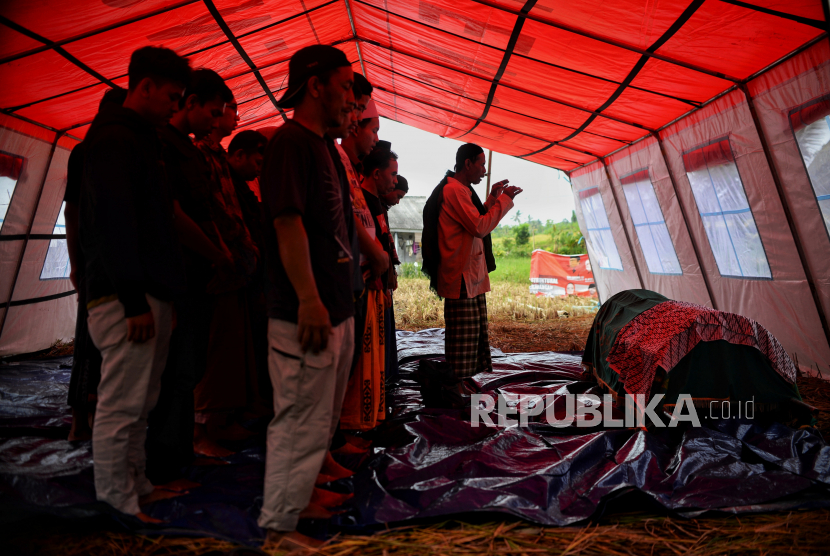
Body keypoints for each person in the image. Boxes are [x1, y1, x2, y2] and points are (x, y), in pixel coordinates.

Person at [79, 46, 189, 519]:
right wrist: (131, 300)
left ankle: (137, 483)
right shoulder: (112, 141)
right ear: (143, 87)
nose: (175, 106)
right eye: (171, 96)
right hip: (126, 295)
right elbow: (113, 224)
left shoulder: (145, 140)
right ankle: (116, 497)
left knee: (143, 398)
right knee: (122, 402)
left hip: (149, 291)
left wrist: (163, 294)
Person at [257, 45, 356, 551]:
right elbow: (287, 222)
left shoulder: (319, 145)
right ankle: (278, 528)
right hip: (306, 310)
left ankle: (300, 498)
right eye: (343, 85)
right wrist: (308, 299)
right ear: (315, 85)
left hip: (331, 304)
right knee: (297, 416)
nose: (348, 98)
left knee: (315, 416)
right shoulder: (290, 144)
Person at [146, 68, 235, 484]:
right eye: (212, 113)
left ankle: (181, 450)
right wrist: (217, 254)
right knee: (173, 373)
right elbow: (176, 215)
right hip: (179, 273)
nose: (216, 122)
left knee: (190, 366)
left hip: (200, 272)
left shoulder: (185, 147)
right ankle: (165, 462)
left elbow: (208, 210)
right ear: (191, 102)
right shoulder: (160, 145)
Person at [193, 95, 264, 445]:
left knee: (231, 348)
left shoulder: (216, 156)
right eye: (228, 109)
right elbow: (210, 212)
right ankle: (206, 428)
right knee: (216, 350)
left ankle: (220, 421)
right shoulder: (200, 155)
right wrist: (223, 252)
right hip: (218, 266)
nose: (232, 116)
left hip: (234, 265)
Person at [423, 143, 521, 378]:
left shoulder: (460, 189)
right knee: (462, 345)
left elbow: (473, 218)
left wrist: (492, 199)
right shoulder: (454, 190)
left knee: (472, 337)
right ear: (467, 164)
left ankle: (464, 386)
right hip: (462, 279)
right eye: (481, 164)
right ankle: (457, 386)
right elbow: (479, 226)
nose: (484, 170)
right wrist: (504, 201)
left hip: (470, 276)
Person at [65, 86, 127, 442]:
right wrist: (76, 262)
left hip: (99, 260)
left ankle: (87, 421)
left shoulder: (92, 149)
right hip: (97, 261)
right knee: (90, 340)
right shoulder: (88, 151)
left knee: (96, 340)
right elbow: (72, 210)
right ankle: (81, 420)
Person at [226, 129, 271, 409]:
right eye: (257, 163)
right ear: (239, 155)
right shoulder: (225, 185)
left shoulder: (241, 186)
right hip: (236, 274)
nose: (258, 172)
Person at [360, 146, 401, 388]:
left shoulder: (375, 202)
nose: (395, 181)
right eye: (393, 174)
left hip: (379, 283)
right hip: (367, 284)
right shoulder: (362, 201)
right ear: (376, 173)